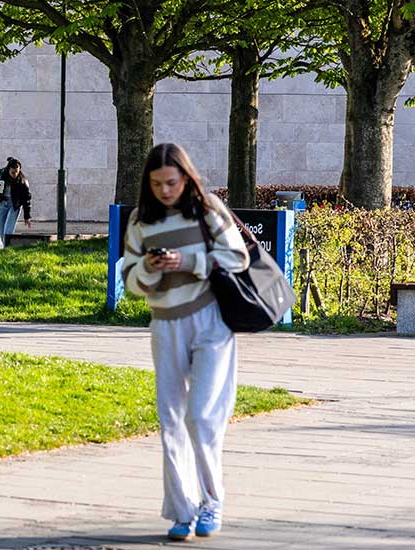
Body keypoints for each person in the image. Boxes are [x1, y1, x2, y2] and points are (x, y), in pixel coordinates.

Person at [121, 143, 250, 543]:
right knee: (171, 421)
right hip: (165, 324)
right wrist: (149, 266)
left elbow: (239, 258)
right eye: (157, 183)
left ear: (186, 177)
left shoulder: (208, 208)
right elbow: (129, 282)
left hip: (210, 321)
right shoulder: (141, 220)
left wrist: (188, 262)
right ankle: (182, 510)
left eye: (172, 182)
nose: (165, 190)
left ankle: (212, 501)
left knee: (202, 417)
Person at [0, 157, 32, 244]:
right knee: (1, 231)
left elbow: (26, 199)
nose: (15, 174)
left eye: (17, 172)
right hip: (2, 203)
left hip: (14, 205)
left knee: (8, 231)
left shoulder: (22, 181)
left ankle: (6, 250)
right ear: (8, 169)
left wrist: (27, 216)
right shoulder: (0, 174)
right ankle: (7, 249)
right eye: (12, 172)